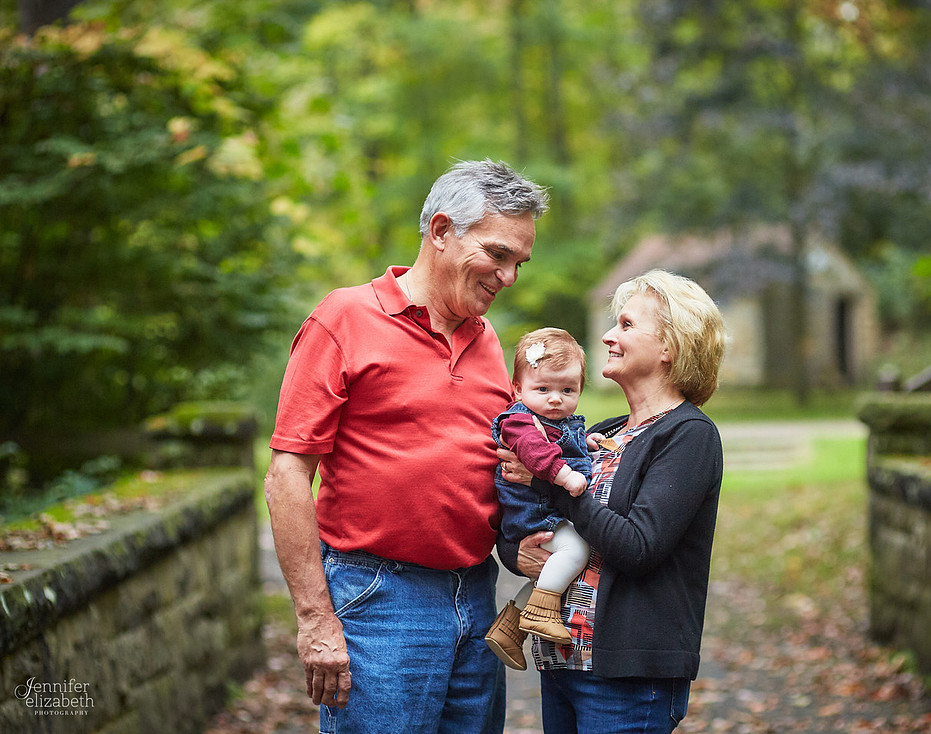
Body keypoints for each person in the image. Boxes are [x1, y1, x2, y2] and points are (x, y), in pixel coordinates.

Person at [264, 159, 548, 734]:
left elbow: (488, 468)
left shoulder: (489, 341)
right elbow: (286, 477)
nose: (509, 276)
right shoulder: (344, 317)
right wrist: (316, 619)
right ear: (441, 231)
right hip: (378, 597)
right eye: (497, 254)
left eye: (519, 262)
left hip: (476, 596)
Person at [497, 269, 727, 734]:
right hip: (561, 662)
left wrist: (548, 485)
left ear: (669, 347)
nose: (607, 336)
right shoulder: (599, 432)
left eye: (625, 325)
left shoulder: (688, 436)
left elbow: (638, 547)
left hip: (627, 675)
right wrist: (515, 554)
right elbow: (528, 520)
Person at [485, 328, 596, 671]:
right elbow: (536, 456)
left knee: (553, 570)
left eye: (567, 390)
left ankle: (509, 628)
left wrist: (585, 443)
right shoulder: (519, 421)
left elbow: (565, 444)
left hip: (541, 511)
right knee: (577, 551)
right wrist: (566, 476)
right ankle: (542, 612)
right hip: (533, 512)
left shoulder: (555, 421)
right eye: (543, 389)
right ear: (517, 389)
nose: (555, 399)